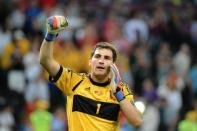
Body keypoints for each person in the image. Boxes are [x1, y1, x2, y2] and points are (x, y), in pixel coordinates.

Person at [39, 15, 142, 131]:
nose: (101, 61)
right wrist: (50, 35)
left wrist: (117, 92)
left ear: (113, 64)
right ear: (90, 62)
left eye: (106, 58)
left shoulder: (121, 89)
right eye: (97, 56)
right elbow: (45, 60)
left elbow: (137, 121)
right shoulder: (74, 81)